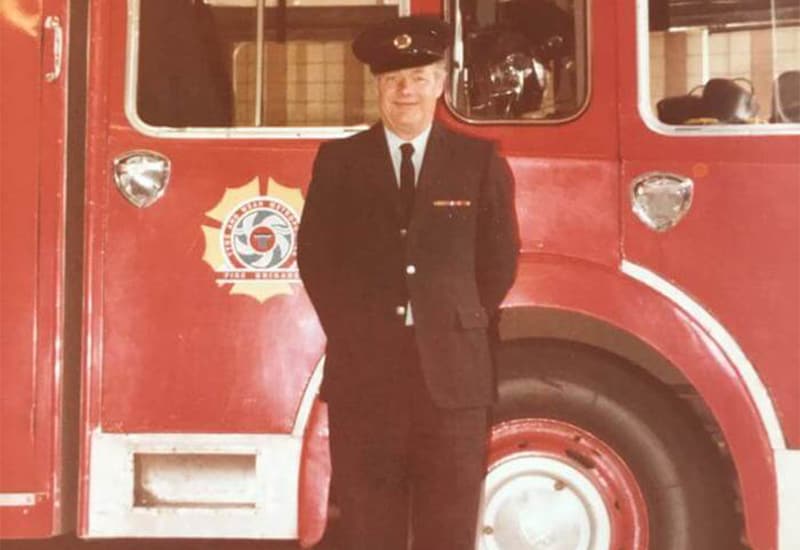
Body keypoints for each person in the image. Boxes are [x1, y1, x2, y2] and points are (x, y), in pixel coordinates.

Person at [297, 14, 519, 550]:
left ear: (440, 84)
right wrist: (358, 328)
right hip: (366, 378)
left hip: (453, 381)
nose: (405, 90)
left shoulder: (479, 162)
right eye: (393, 78)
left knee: (448, 525)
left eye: (419, 77)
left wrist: (449, 320)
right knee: (370, 527)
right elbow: (317, 260)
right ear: (377, 86)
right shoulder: (339, 162)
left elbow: (497, 263)